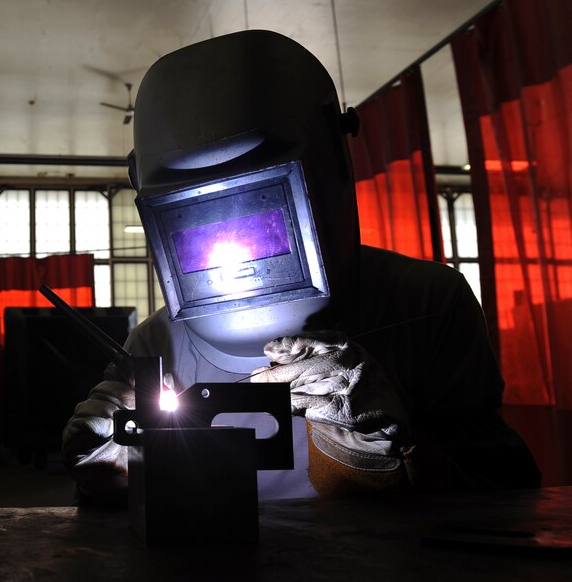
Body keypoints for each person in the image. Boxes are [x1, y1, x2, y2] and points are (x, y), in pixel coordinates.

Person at [62, 29, 540, 504]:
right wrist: (109, 478)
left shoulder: (431, 301)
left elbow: (505, 492)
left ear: (332, 163)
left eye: (265, 223)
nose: (239, 253)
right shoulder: (154, 342)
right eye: (200, 229)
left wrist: (382, 458)